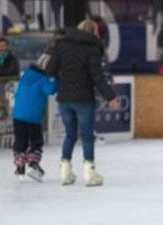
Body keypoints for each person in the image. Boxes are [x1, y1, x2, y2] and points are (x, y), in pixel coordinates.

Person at [46, 19, 119, 187]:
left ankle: (65, 171)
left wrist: (63, 76)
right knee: (86, 137)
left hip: (64, 100)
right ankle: (89, 173)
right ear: (94, 32)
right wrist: (110, 96)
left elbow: (49, 69)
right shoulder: (92, 49)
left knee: (70, 135)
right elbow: (98, 78)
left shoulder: (62, 45)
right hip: (84, 100)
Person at [12, 51, 59, 181]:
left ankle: (20, 165)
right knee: (36, 141)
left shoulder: (25, 75)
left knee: (20, 139)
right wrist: (57, 79)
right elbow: (50, 90)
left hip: (18, 116)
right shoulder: (42, 79)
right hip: (33, 117)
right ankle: (33, 163)